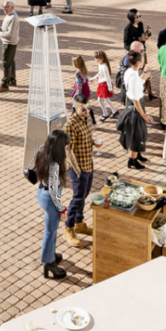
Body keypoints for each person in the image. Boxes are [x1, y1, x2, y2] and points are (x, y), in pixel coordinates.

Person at [64, 96, 101, 248]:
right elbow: (68, 149)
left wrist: (94, 143)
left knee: (84, 195)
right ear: (75, 108)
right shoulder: (70, 125)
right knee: (78, 197)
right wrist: (76, 170)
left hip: (88, 164)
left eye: (88, 108)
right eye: (83, 109)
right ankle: (69, 227)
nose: (87, 111)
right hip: (77, 167)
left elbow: (85, 139)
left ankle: (79, 222)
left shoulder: (87, 119)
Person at [33, 130, 68, 279]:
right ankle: (49, 262)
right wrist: (62, 210)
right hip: (49, 198)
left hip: (41, 192)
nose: (66, 148)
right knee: (50, 231)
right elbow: (54, 193)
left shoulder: (43, 151)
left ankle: (51, 253)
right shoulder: (55, 166)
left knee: (50, 229)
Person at [118, 50, 156, 168]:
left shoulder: (130, 71)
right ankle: (132, 160)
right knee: (136, 135)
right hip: (135, 108)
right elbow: (135, 100)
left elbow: (139, 81)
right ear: (139, 62)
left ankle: (137, 155)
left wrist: (145, 72)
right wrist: (143, 114)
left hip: (133, 105)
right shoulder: (133, 77)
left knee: (139, 133)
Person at [0, 0, 19, 93]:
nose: (4, 9)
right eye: (3, 7)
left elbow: (10, 34)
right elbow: (7, 30)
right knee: (11, 61)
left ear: (12, 7)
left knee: (6, 62)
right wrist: (1, 29)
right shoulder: (9, 15)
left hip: (9, 43)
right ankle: (12, 80)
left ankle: (4, 83)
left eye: (6, 7)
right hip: (8, 41)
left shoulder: (13, 17)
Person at [91, 51, 117, 121]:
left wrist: (110, 87)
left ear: (102, 58)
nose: (96, 60)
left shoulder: (104, 67)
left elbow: (107, 77)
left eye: (97, 58)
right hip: (101, 84)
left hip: (104, 84)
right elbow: (99, 73)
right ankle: (113, 111)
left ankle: (106, 114)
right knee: (104, 99)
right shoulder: (100, 64)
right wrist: (94, 78)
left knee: (102, 99)